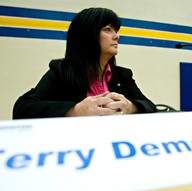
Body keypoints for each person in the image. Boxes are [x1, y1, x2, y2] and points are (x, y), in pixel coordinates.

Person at [13, 7, 157, 119]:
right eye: (108, 29)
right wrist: (75, 111)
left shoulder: (123, 75)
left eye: (116, 30)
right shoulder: (61, 71)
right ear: (88, 36)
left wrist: (131, 107)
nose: (117, 36)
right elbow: (22, 109)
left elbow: (150, 106)